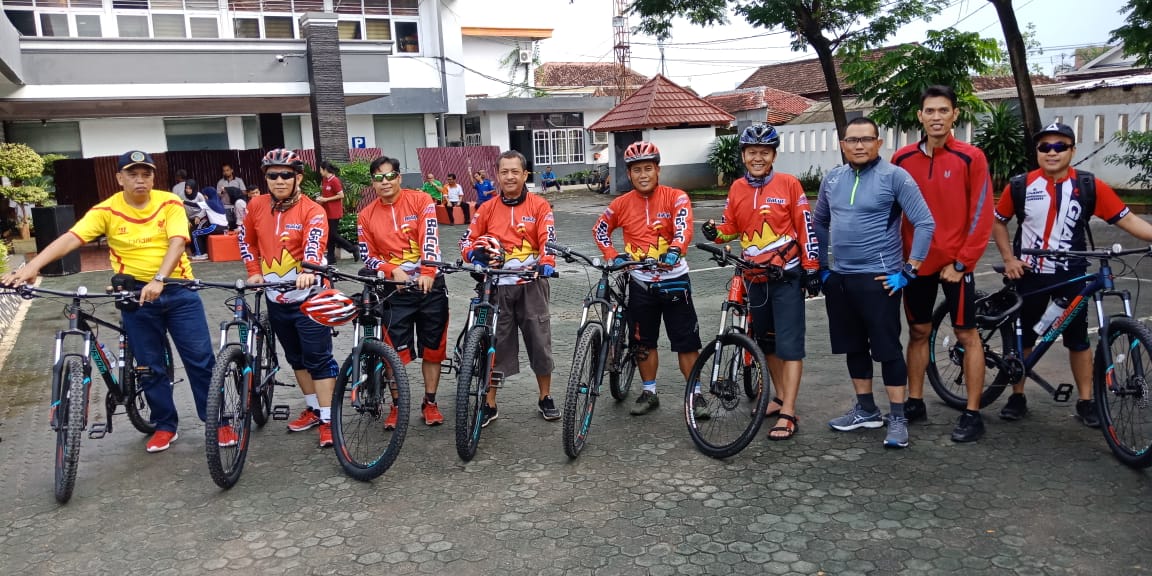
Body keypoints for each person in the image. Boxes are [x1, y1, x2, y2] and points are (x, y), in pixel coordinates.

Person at [1, 150, 218, 454]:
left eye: (146, 174)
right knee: (148, 366)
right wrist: (32, 267)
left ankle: (215, 420)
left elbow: (178, 241)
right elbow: (71, 238)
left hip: (178, 290)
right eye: (133, 174)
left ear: (153, 178)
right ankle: (165, 425)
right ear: (119, 178)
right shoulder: (106, 210)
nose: (140, 179)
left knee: (200, 360)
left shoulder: (169, 202)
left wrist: (159, 279)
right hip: (133, 296)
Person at [992, 122, 1152, 428]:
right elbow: (998, 222)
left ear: (1072, 151)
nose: (1052, 152)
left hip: (1073, 275)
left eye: (1060, 146)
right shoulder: (1021, 185)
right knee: (1026, 334)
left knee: (1078, 341)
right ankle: (1018, 395)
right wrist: (1008, 259)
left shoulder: (1089, 186)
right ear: (1037, 152)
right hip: (1031, 274)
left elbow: (1128, 219)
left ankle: (1086, 400)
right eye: (1045, 147)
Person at [813, 117, 935, 449]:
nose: (859, 145)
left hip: (880, 279)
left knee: (888, 350)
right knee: (853, 346)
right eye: (852, 140)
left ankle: (897, 417)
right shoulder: (833, 178)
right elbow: (820, 220)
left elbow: (924, 222)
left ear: (878, 143)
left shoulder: (895, 177)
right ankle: (866, 409)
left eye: (866, 139)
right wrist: (825, 267)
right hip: (841, 279)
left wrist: (909, 270)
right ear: (842, 145)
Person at [701, 123, 822, 440]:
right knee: (767, 344)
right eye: (752, 152)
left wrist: (811, 268)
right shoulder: (737, 188)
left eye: (764, 152)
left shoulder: (790, 185)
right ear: (743, 155)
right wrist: (716, 232)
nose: (758, 157)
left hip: (786, 277)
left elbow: (806, 228)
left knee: (790, 347)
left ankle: (789, 412)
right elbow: (732, 227)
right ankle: (780, 396)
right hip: (754, 277)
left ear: (774, 155)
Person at [891, 85, 995, 443]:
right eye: (930, 111)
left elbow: (982, 214)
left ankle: (972, 412)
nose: (936, 117)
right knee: (918, 332)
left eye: (943, 110)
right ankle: (915, 401)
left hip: (955, 265)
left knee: (967, 334)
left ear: (955, 115)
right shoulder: (902, 159)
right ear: (920, 116)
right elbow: (891, 211)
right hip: (915, 264)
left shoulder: (971, 158)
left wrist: (964, 263)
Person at [238, 148, 339, 448]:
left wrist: (309, 269)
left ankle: (328, 420)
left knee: (318, 359)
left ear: (298, 177)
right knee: (296, 358)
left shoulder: (312, 209)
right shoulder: (256, 205)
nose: (279, 180)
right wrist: (254, 271)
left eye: (286, 175)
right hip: (275, 296)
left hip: (308, 295)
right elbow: (246, 240)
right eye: (272, 175)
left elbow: (316, 242)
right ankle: (313, 407)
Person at [593, 142, 701, 418]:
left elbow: (683, 225)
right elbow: (600, 230)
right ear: (629, 175)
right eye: (637, 170)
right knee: (643, 342)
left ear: (658, 170)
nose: (643, 175)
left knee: (686, 342)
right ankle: (649, 391)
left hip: (674, 280)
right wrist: (612, 254)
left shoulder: (676, 197)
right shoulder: (619, 204)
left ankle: (695, 394)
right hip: (639, 282)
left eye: (648, 169)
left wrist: (676, 250)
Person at [459, 150, 559, 425]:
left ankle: (545, 397)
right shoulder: (487, 208)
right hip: (496, 288)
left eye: (516, 171)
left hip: (531, 285)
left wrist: (547, 260)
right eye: (504, 172)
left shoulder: (539, 206)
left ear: (525, 174)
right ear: (498, 176)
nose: (510, 176)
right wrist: (473, 255)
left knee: (540, 342)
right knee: (496, 344)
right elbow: (466, 241)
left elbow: (547, 238)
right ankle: (490, 402)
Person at [358, 155, 449, 427]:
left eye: (390, 176)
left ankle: (430, 402)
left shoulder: (421, 200)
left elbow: (429, 237)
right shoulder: (366, 215)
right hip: (393, 291)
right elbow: (367, 256)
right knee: (392, 353)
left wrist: (428, 271)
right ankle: (397, 406)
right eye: (378, 178)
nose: (384, 182)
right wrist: (389, 269)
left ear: (399, 177)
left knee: (433, 350)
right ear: (373, 183)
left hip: (429, 285)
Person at [316, 160, 360, 262]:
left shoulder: (334, 180)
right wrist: (321, 200)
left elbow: (341, 195)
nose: (320, 172)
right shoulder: (325, 180)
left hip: (334, 212)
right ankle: (331, 258)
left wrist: (326, 200)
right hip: (326, 211)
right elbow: (327, 194)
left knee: (332, 234)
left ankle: (352, 248)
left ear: (325, 170)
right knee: (330, 234)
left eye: (320, 169)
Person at [189, 186, 229, 261]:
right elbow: (205, 210)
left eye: (204, 194)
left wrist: (182, 201)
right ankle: (205, 252)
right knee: (201, 234)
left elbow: (194, 205)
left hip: (215, 227)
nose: (204, 196)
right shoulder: (218, 202)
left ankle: (200, 254)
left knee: (195, 233)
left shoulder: (209, 202)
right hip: (225, 227)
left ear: (207, 195)